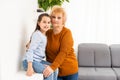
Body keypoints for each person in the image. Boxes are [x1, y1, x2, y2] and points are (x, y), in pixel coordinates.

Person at [43, 6, 79, 80]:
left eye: (59, 18)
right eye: (53, 17)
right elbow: (38, 40)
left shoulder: (66, 33)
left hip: (70, 71)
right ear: (50, 19)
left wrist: (52, 67)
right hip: (55, 71)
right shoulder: (47, 33)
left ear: (63, 20)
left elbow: (63, 52)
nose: (56, 20)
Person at [22, 13, 58, 80]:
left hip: (38, 61)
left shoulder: (44, 35)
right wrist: (30, 67)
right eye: (44, 22)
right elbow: (30, 50)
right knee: (49, 71)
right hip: (29, 62)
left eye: (48, 22)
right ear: (39, 23)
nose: (47, 24)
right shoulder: (37, 34)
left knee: (54, 68)